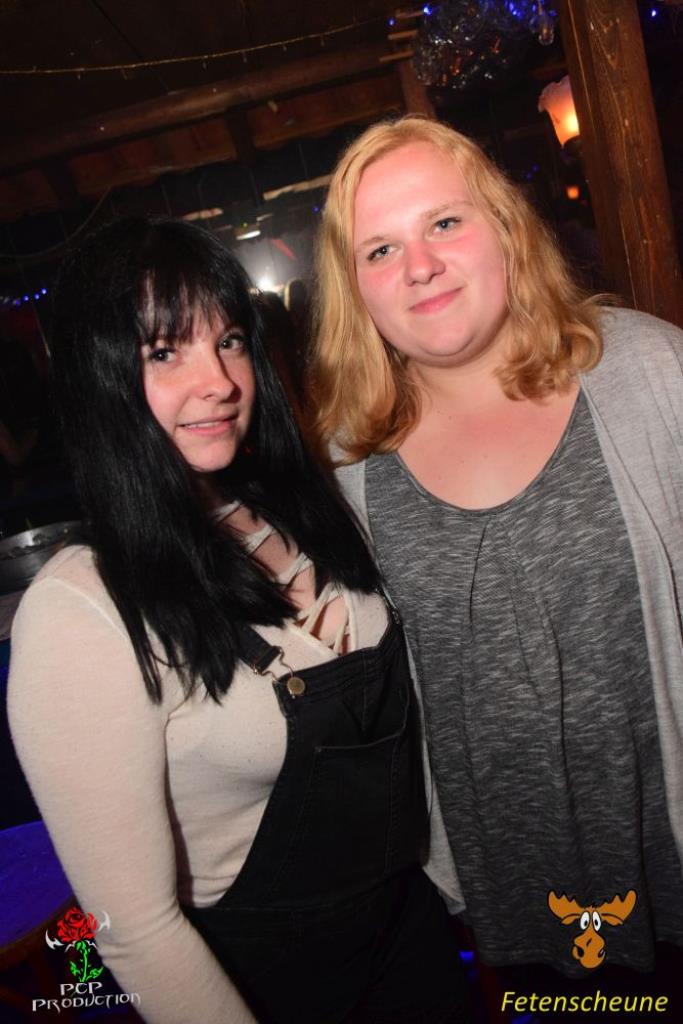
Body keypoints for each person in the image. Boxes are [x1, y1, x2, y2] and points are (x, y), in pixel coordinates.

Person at [8, 217, 469, 1024]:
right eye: (164, 353)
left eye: (227, 342)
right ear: (100, 378)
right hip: (264, 989)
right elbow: (135, 928)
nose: (219, 381)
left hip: (415, 950)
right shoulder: (82, 610)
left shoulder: (314, 515)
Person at [311, 115, 683, 981]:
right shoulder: (346, 461)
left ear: (506, 226)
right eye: (379, 250)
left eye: (444, 222)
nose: (419, 266)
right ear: (355, 291)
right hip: (504, 895)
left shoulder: (649, 372)